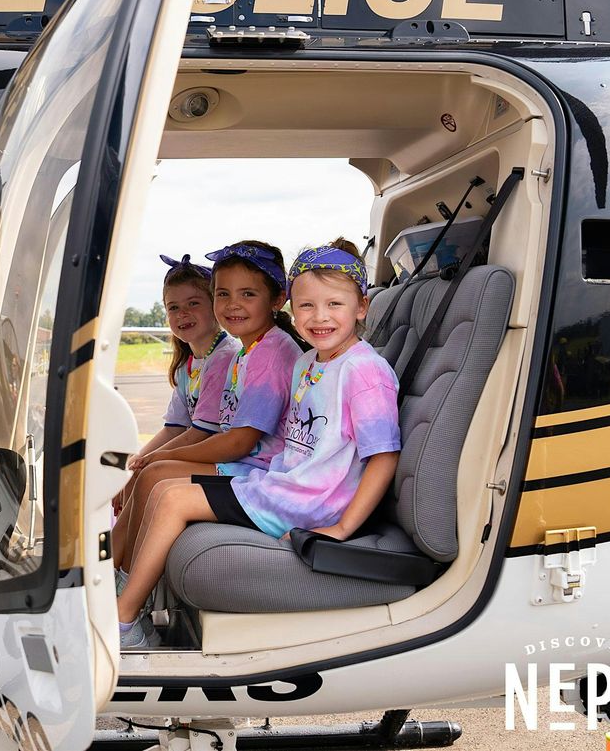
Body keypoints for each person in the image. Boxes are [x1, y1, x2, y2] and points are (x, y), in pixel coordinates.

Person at [116, 238, 401, 649]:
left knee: (173, 499)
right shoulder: (308, 362)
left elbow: (383, 456)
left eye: (334, 305)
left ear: (361, 308)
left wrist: (341, 528)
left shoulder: (365, 371)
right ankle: (129, 599)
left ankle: (123, 623)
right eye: (307, 306)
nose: (319, 317)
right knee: (163, 489)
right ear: (291, 308)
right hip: (282, 486)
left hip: (312, 502)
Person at [111, 240, 302, 595]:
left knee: (154, 473)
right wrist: (153, 458)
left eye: (247, 294)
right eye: (223, 294)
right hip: (245, 464)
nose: (233, 304)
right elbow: (181, 427)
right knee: (151, 472)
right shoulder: (247, 352)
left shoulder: (267, 353)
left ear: (278, 299)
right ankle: (117, 575)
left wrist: (163, 457)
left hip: (260, 471)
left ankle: (125, 584)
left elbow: (238, 441)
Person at [116, 254, 240, 508]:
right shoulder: (188, 364)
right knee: (133, 474)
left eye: (193, 303)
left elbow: (201, 433)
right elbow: (174, 428)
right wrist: (137, 460)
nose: (182, 313)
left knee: (146, 476)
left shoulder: (224, 357)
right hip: (200, 453)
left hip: (227, 459)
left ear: (215, 306)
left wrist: (149, 462)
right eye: (173, 307)